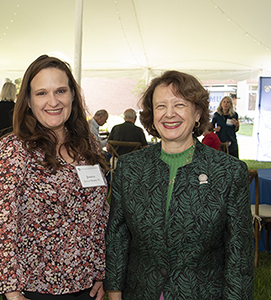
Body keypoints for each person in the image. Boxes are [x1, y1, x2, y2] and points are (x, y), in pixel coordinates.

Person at [105, 70, 254, 300]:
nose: (169, 114)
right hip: (141, 291)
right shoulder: (130, 168)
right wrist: (114, 290)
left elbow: (239, 253)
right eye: (161, 106)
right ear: (152, 115)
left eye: (180, 105)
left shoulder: (229, 172)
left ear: (197, 113)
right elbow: (118, 234)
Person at [0, 55, 110, 300]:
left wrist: (101, 271)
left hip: (86, 285)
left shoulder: (88, 147)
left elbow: (99, 214)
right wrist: (11, 290)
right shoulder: (14, 150)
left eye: (60, 91)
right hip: (34, 288)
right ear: (28, 101)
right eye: (41, 93)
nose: (53, 101)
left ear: (72, 95)